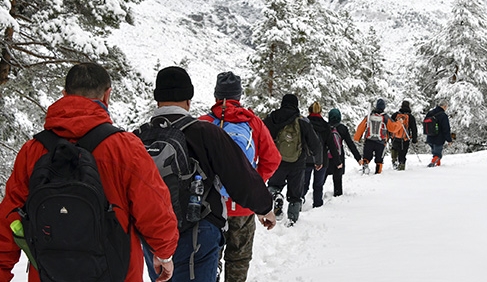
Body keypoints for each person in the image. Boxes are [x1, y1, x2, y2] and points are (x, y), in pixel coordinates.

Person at [0, 63, 179, 282]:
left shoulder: (33, 150)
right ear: (107, 95)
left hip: (49, 274)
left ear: (64, 94)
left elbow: (8, 218)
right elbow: (154, 208)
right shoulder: (125, 147)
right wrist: (163, 252)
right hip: (117, 273)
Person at [140, 66, 276, 282]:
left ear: (157, 98)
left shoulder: (137, 137)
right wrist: (265, 206)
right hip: (198, 228)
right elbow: (241, 176)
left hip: (154, 234)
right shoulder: (204, 132)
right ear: (188, 99)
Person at [198, 71, 281, 282]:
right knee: (239, 259)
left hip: (210, 206)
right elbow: (272, 159)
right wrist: (249, 184)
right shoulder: (253, 123)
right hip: (243, 206)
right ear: (239, 95)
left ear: (216, 94)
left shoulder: (203, 123)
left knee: (210, 258)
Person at [263, 94, 322, 226]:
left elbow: (261, 135)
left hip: (276, 160)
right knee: (295, 194)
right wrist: (318, 160)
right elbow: (315, 144)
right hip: (297, 162)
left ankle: (275, 196)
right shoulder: (302, 121)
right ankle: (292, 220)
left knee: (274, 184)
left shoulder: (272, 118)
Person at [302, 102, 342, 208]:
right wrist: (338, 162)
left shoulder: (304, 123)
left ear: (309, 111)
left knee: (303, 184)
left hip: (305, 159)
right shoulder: (326, 126)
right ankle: (318, 205)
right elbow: (332, 146)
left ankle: (298, 203)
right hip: (322, 159)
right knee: (318, 185)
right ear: (321, 112)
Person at [353, 98, 403, 174]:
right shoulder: (385, 117)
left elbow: (361, 126)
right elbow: (393, 128)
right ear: (384, 107)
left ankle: (365, 166)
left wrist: (357, 137)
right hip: (381, 142)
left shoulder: (370, 116)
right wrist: (399, 122)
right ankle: (378, 172)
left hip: (369, 140)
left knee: (367, 156)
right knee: (379, 159)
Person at [326, 108, 362, 196]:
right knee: (337, 179)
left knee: (320, 181)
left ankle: (316, 199)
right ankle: (337, 196)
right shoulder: (342, 128)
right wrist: (358, 158)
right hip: (338, 157)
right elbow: (350, 144)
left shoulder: (325, 127)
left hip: (326, 157)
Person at [390, 100, 419, 170]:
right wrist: (414, 139)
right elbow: (414, 129)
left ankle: (394, 160)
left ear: (401, 106)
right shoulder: (410, 117)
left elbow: (390, 125)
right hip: (405, 138)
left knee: (394, 149)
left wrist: (389, 136)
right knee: (402, 152)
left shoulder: (395, 115)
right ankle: (401, 165)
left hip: (395, 138)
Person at [425, 100, 453, 167]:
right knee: (438, 154)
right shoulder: (443, 115)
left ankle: (437, 165)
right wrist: (449, 140)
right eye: (446, 107)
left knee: (435, 153)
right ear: (444, 106)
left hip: (429, 136)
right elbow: (446, 129)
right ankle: (433, 164)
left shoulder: (430, 113)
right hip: (439, 138)